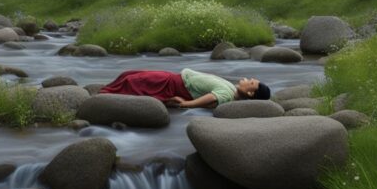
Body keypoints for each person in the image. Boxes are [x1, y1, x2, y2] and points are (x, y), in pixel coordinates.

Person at [99, 68, 271, 108]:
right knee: (130, 74)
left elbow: (212, 99)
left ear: (250, 92)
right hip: (173, 77)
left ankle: (103, 97)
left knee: (132, 81)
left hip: (171, 83)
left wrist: (185, 104)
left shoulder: (226, 94)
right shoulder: (232, 89)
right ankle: (106, 92)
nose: (246, 79)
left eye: (250, 82)